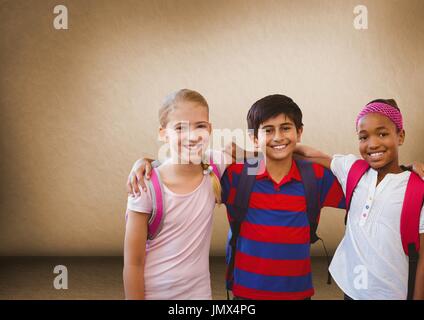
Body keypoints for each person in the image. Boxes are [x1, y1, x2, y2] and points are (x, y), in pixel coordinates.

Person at [295, 99, 424, 300]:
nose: (372, 144)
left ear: (400, 136)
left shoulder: (418, 188)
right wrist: (256, 155)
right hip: (352, 288)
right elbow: (310, 155)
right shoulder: (352, 169)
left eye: (382, 134)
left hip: (393, 294)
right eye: (363, 137)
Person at [123, 89, 227, 299]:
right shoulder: (145, 186)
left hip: (199, 295)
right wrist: (142, 162)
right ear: (163, 133)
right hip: (155, 294)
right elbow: (133, 263)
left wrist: (305, 151)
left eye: (200, 126)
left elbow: (269, 154)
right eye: (180, 128)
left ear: (210, 129)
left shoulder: (216, 164)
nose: (192, 135)